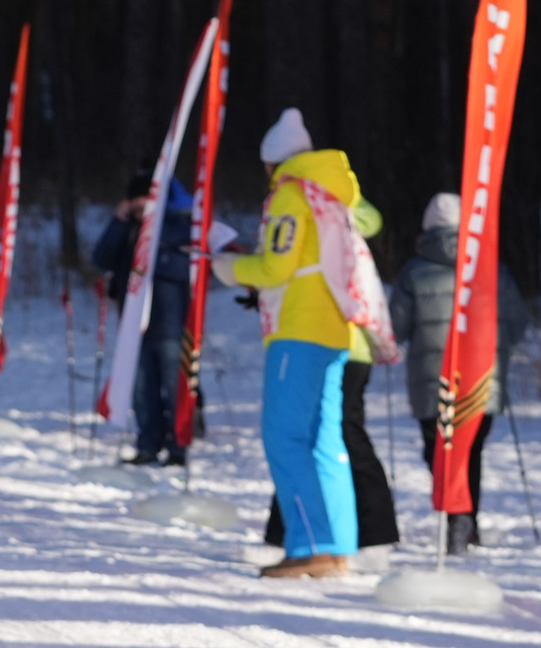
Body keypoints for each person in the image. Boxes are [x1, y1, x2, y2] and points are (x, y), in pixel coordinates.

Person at [215, 108, 371, 578]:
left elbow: (276, 268)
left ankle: (310, 545)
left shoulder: (290, 193)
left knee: (284, 436)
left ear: (272, 163)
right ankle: (337, 546)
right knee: (325, 439)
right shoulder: (333, 189)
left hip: (297, 328)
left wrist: (227, 268)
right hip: (335, 328)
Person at [388, 191, 531, 553]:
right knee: (472, 451)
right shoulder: (491, 268)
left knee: (439, 452)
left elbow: (397, 328)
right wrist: (499, 350)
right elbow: (517, 323)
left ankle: (456, 519)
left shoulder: (413, 271)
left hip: (432, 383)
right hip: (483, 378)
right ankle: (466, 523)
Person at [261, 195, 400, 555]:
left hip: (334, 342)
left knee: (324, 436)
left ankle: (368, 535)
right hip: (345, 344)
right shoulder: (339, 221)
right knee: (319, 435)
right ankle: (307, 535)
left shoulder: (323, 221)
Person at [91, 168, 197, 465]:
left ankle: (177, 447)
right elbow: (101, 258)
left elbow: (184, 264)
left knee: (174, 386)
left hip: (170, 323)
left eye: (143, 202)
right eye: (133, 204)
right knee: (141, 390)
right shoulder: (127, 230)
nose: (138, 209)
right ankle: (148, 443)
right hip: (134, 326)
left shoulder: (176, 225)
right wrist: (119, 221)